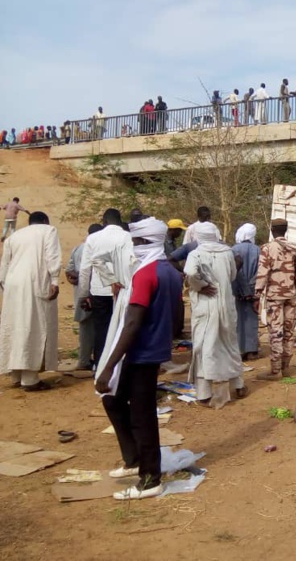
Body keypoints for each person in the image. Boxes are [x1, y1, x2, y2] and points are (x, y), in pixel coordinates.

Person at [95, 218, 183, 500]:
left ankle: (150, 479)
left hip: (140, 352)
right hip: (152, 349)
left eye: (137, 242)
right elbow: (178, 315)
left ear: (146, 242)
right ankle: (134, 459)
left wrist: (108, 366)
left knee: (142, 415)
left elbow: (132, 322)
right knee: (113, 400)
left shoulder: (145, 274)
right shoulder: (169, 270)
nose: (134, 248)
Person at [184, 222, 246, 407]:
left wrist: (201, 286)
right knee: (229, 344)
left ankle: (204, 393)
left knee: (205, 346)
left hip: (206, 306)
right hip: (226, 304)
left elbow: (190, 272)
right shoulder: (227, 252)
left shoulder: (195, 253)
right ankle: (239, 385)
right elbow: (233, 275)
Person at [0, 211, 61, 391]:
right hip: (34, 282)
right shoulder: (49, 230)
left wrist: (4, 284)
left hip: (13, 283)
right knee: (34, 326)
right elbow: (52, 256)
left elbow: (4, 263)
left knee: (16, 325)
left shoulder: (15, 235)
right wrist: (55, 280)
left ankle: (16, 375)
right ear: (44, 220)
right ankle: (30, 379)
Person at [79, 208, 134, 368]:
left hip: (99, 290)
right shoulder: (128, 237)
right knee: (121, 328)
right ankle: (120, 367)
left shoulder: (93, 238)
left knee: (101, 329)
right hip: (123, 289)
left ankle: (100, 366)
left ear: (104, 221)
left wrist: (83, 295)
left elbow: (85, 269)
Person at [254, 219, 296, 380]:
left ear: (272, 229)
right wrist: (295, 287)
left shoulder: (267, 248)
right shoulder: (295, 248)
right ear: (286, 230)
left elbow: (262, 273)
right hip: (291, 294)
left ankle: (276, 371)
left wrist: (257, 294)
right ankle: (286, 367)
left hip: (275, 296)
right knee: (289, 330)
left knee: (276, 331)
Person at [66, 224, 103, 369]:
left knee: (86, 328)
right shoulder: (96, 249)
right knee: (91, 329)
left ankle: (87, 359)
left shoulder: (77, 248)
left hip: (80, 294)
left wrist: (76, 278)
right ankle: (84, 361)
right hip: (91, 294)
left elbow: (69, 271)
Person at [232, 223, 260, 360]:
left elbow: (235, 272)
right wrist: (251, 288)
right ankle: (252, 350)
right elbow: (260, 272)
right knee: (251, 318)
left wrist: (243, 288)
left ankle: (238, 349)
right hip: (254, 289)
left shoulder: (233, 250)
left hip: (236, 289)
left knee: (237, 318)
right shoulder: (258, 250)